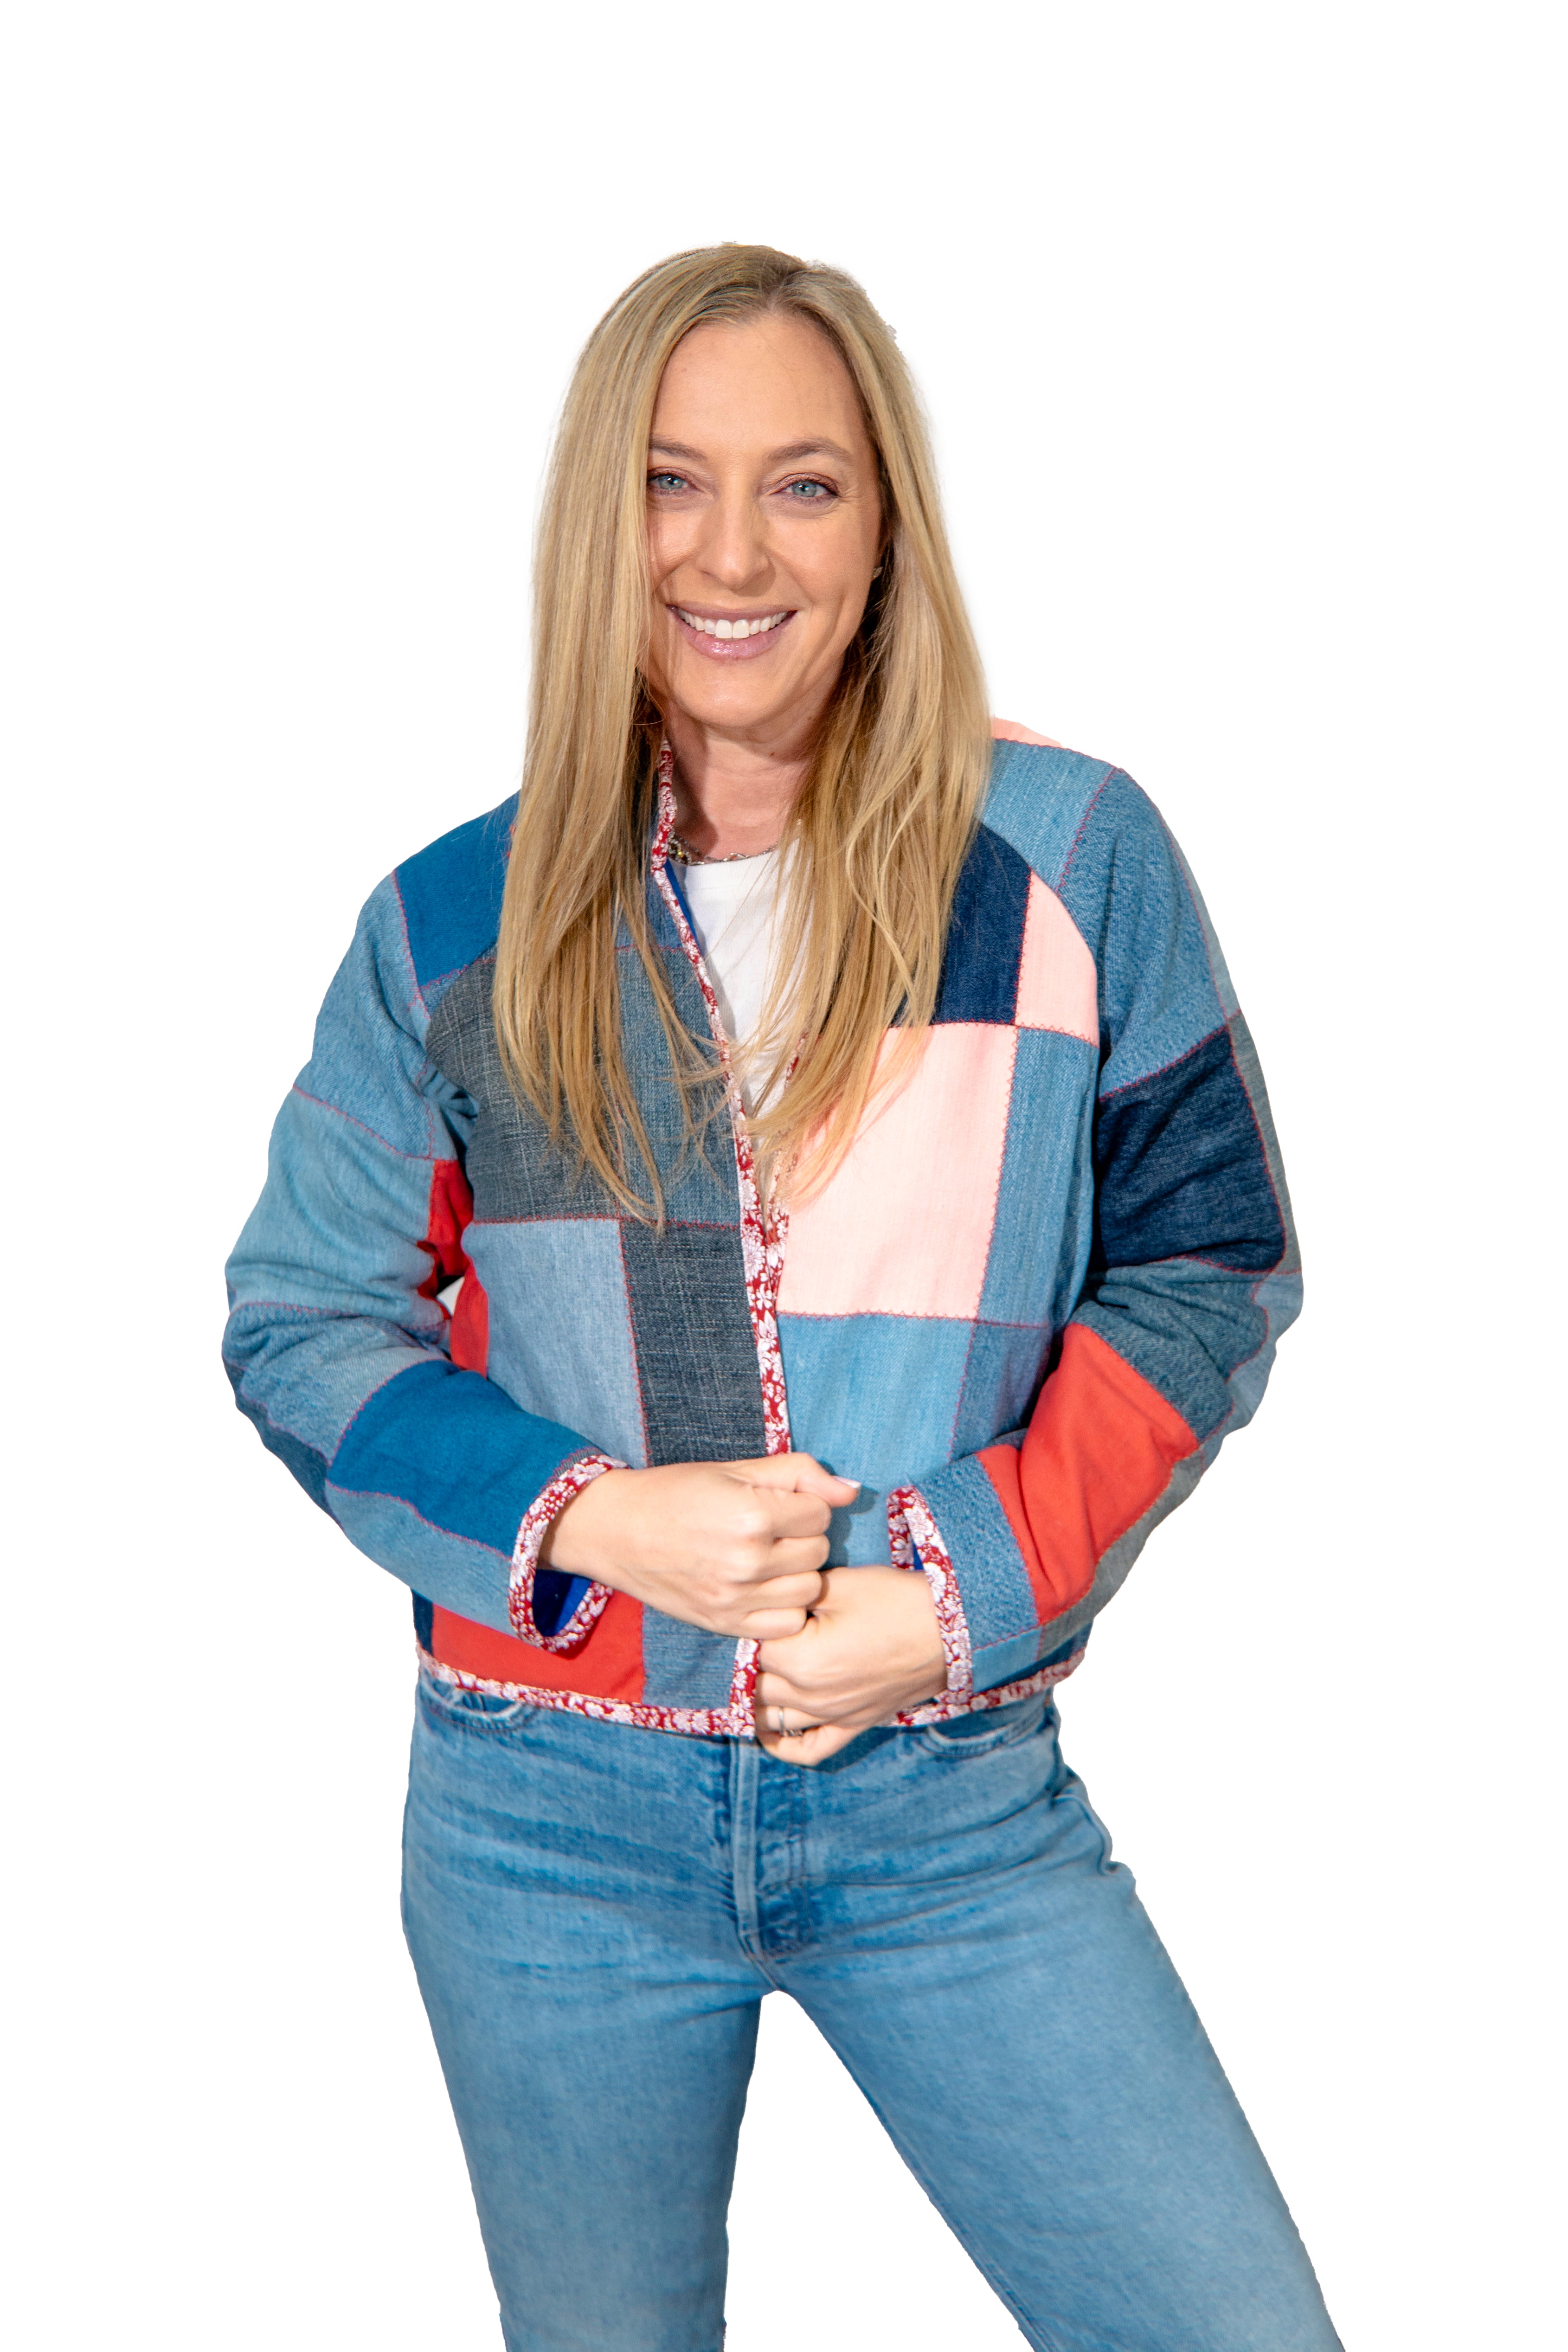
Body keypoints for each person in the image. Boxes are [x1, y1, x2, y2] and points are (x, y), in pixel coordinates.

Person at [224, 244, 1340, 2352]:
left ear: (883, 523)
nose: (731, 553)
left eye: (803, 484)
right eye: (671, 480)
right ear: (598, 520)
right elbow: (302, 1322)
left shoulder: (1062, 857)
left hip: (949, 1802)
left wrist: (957, 1590)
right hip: (540, 1826)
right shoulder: (451, 923)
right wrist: (594, 1516)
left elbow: (1209, 1264)